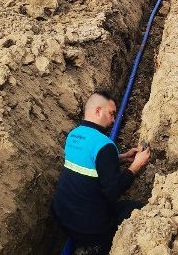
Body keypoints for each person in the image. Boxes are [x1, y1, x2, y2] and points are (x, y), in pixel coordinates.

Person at [52, 91, 151, 254]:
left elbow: (89, 161)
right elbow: (114, 191)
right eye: (111, 114)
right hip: (91, 229)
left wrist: (122, 158)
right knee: (140, 210)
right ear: (98, 111)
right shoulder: (105, 145)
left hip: (62, 218)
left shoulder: (74, 135)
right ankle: (101, 247)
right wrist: (136, 165)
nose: (113, 120)